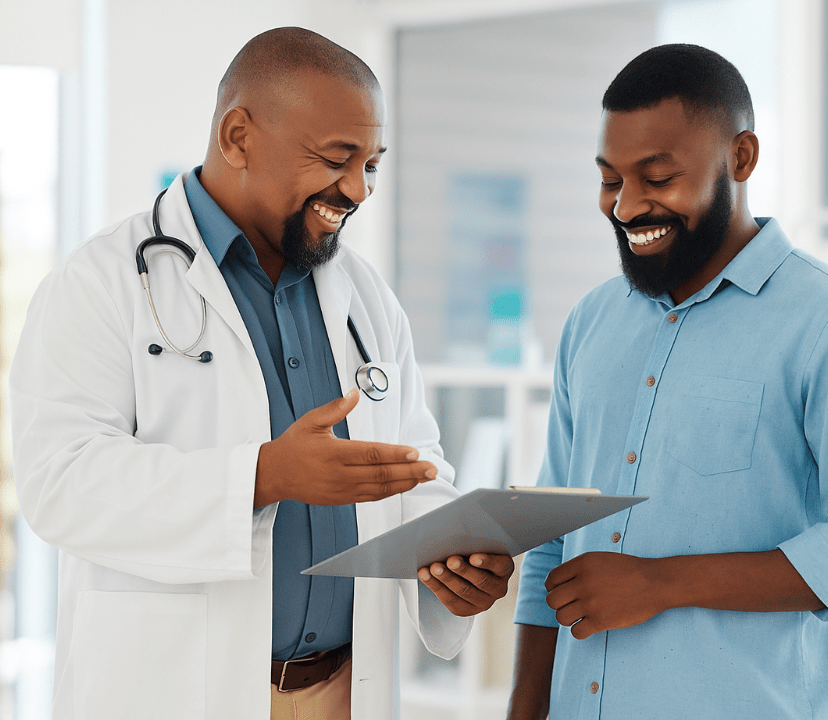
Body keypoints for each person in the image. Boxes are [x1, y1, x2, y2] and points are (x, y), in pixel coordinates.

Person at [10, 27, 514, 720]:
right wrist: (265, 476)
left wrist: (448, 562)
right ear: (239, 136)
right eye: (337, 159)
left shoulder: (364, 294)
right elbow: (59, 483)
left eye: (373, 163)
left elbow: (411, 462)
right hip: (179, 689)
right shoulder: (101, 281)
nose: (358, 189)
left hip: (343, 688)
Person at [506, 44, 828, 720]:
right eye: (610, 179)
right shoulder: (591, 322)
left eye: (657, 176)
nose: (625, 207)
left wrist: (661, 582)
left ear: (741, 159)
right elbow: (552, 539)